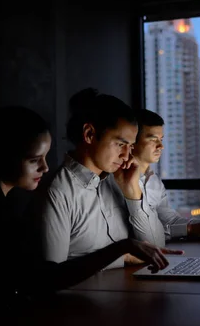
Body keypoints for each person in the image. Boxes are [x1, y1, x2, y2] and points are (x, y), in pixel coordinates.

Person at [0, 105, 179, 307]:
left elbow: (153, 249)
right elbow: (42, 279)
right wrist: (122, 252)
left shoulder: (113, 180)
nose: (45, 168)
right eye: (35, 159)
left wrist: (133, 194)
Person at [29, 88, 182, 269]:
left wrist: (133, 193)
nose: (127, 155)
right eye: (120, 144)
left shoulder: (120, 180)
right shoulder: (58, 191)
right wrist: (122, 257)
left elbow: (156, 247)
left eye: (131, 146)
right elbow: (51, 275)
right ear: (89, 134)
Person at [130, 109, 200, 247]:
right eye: (153, 139)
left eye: (161, 140)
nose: (161, 146)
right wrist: (189, 229)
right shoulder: (117, 182)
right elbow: (137, 235)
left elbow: (170, 220)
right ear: (132, 142)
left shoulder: (153, 180)